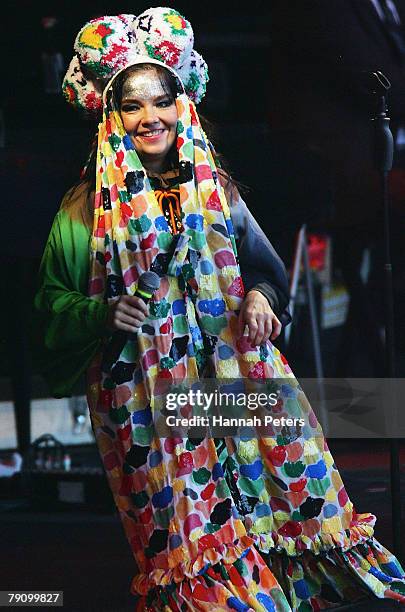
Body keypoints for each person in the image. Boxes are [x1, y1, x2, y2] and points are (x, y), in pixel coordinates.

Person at [35, 8, 405, 611]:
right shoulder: (85, 210)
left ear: (184, 104)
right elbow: (51, 306)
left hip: (231, 367)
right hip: (151, 392)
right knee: (189, 523)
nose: (150, 117)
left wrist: (260, 296)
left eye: (162, 101)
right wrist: (101, 313)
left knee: (275, 492)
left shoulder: (215, 190)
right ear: (112, 116)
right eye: (133, 106)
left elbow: (262, 265)